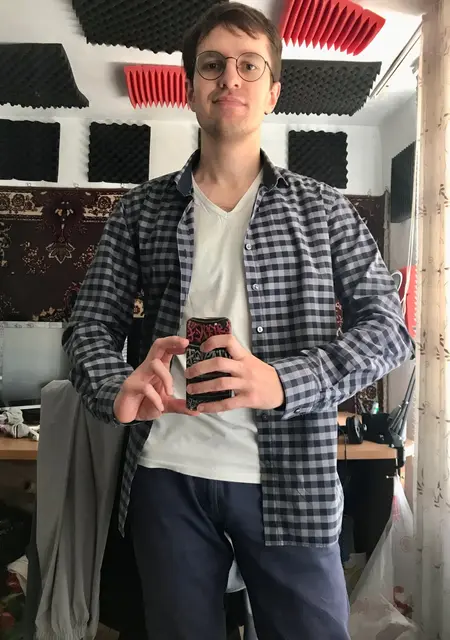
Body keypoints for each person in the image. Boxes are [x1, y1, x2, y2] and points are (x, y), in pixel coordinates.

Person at [63, 3, 414, 639]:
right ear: (190, 87)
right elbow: (88, 325)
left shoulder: (324, 209)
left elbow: (390, 329)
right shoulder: (139, 211)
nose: (230, 77)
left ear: (272, 91)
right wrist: (116, 385)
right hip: (168, 475)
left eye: (250, 65)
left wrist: (283, 382)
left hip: (294, 477)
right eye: (212, 65)